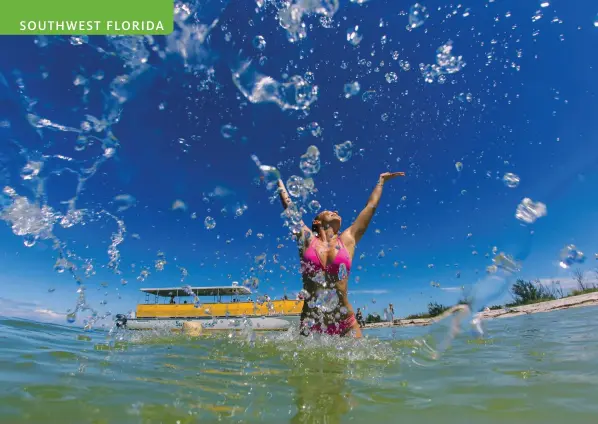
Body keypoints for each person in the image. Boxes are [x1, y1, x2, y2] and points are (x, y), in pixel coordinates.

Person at [277, 171, 405, 338]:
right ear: (317, 222)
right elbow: (290, 208)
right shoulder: (307, 239)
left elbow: (370, 207)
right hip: (312, 322)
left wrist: (380, 182)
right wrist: (278, 180)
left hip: (346, 323)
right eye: (329, 211)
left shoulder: (348, 239)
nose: (335, 210)